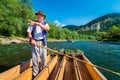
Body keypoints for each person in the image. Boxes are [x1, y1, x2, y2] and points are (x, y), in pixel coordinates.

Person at [27, 11, 50, 77]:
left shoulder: (45, 23)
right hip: (34, 42)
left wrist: (38, 24)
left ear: (43, 17)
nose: (39, 16)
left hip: (43, 42)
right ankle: (35, 75)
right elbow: (29, 32)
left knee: (44, 58)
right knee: (35, 59)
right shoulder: (32, 24)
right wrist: (32, 39)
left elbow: (48, 29)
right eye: (38, 15)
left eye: (41, 15)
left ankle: (43, 72)